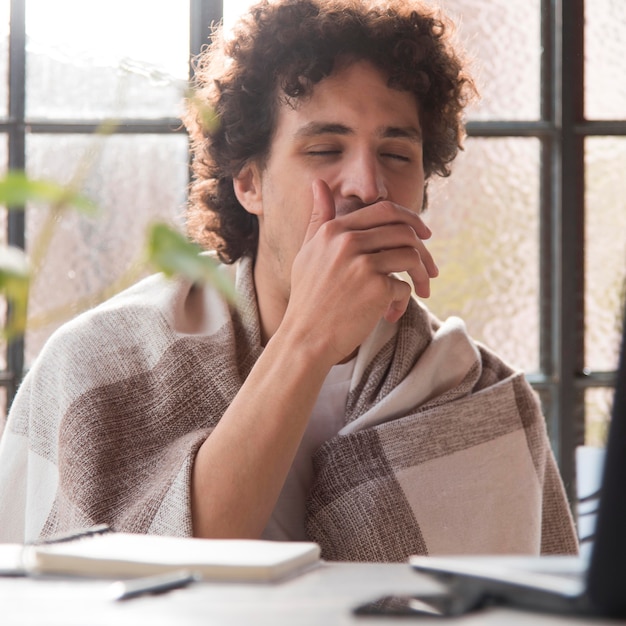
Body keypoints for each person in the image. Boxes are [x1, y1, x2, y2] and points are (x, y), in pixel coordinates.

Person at [0, 0, 578, 560]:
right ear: (249, 182)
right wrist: (309, 336)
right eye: (326, 148)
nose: (367, 185)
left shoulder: (476, 399)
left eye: (397, 156)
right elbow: (172, 576)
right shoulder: (97, 362)